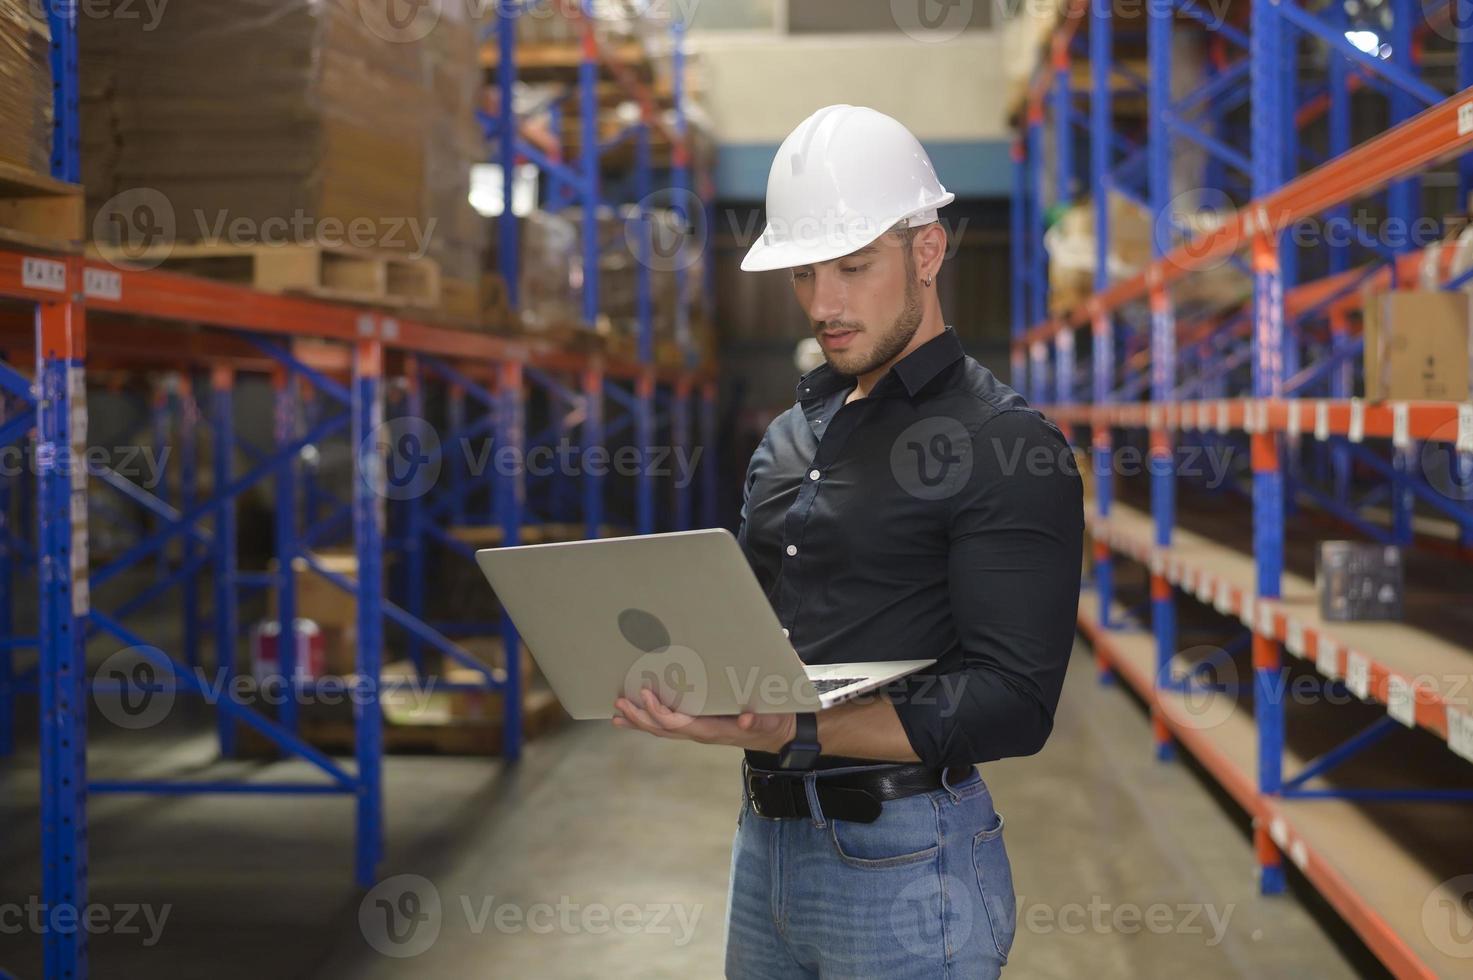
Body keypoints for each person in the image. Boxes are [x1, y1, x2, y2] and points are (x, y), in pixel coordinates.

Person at [611, 104, 1084, 978]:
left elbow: (1012, 702)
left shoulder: (1004, 445)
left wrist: (791, 726)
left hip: (907, 863)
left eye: (853, 267)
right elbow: (754, 624)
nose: (823, 304)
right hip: (766, 846)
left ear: (926, 252)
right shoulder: (791, 433)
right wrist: (679, 662)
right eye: (803, 273)